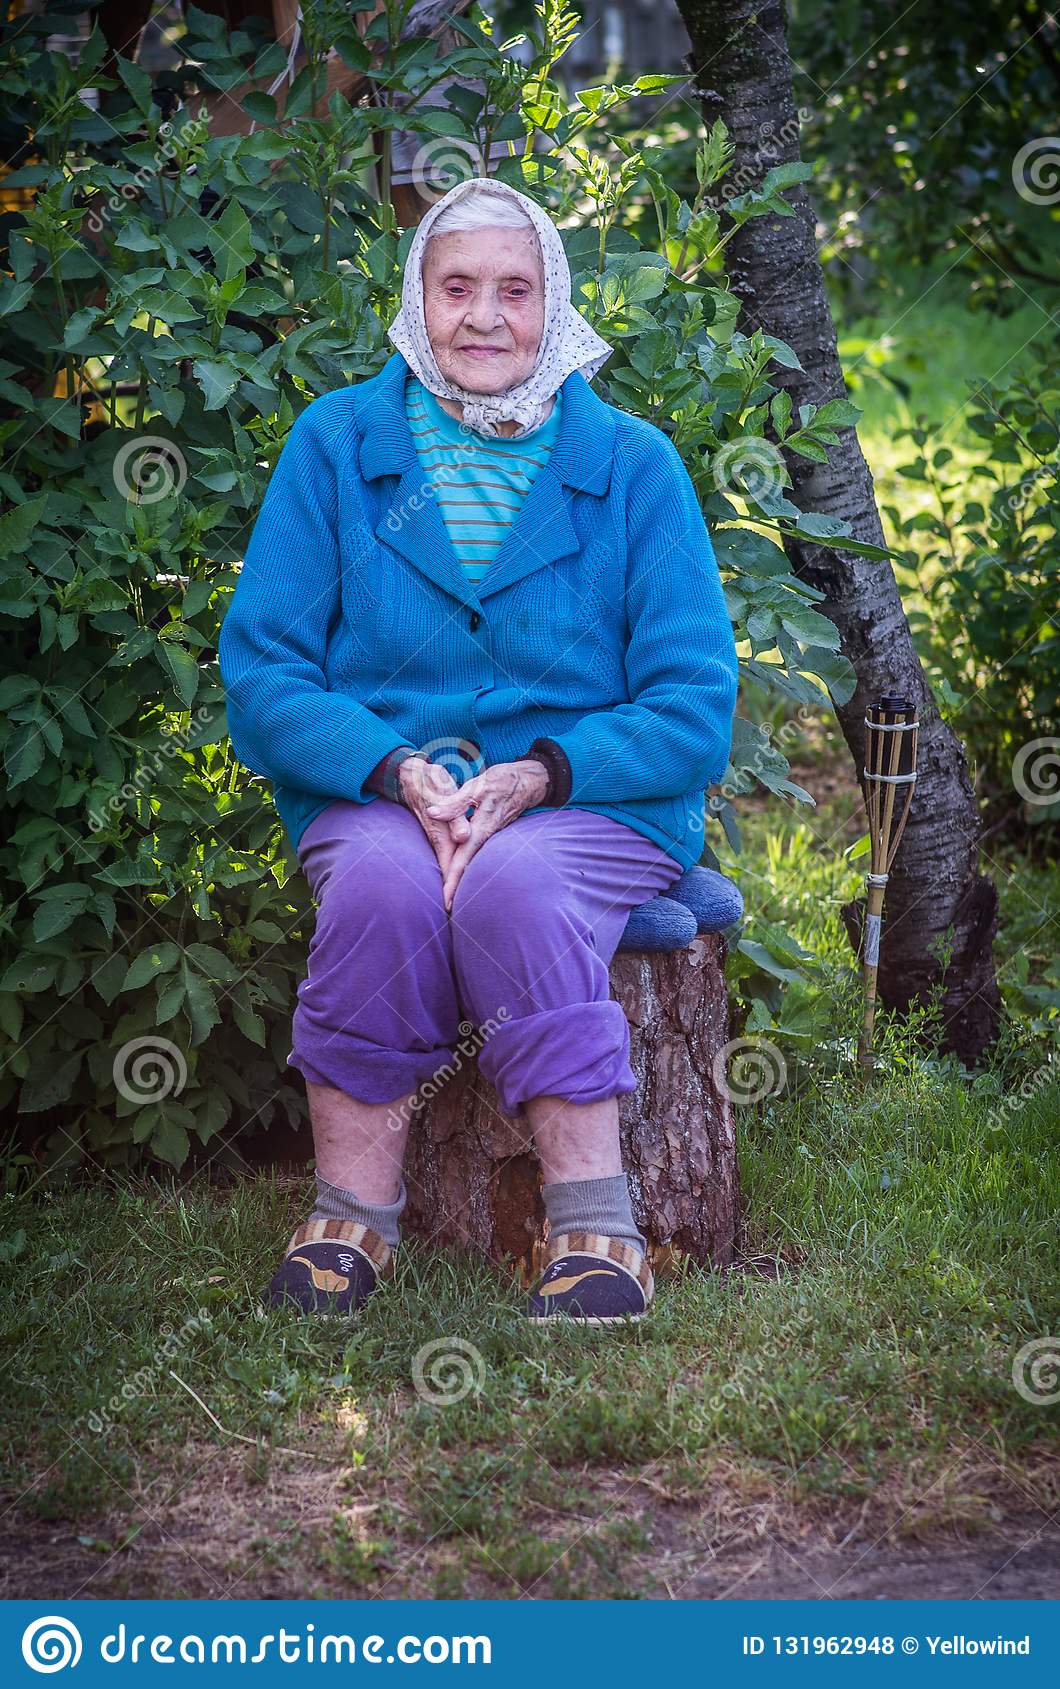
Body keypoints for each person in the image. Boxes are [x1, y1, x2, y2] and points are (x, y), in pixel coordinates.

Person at [218, 176, 738, 1326]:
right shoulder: (338, 446)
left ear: (552, 308)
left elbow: (696, 701)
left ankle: (596, 1229)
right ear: (417, 299)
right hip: (380, 790)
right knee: (382, 896)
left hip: (587, 799)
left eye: (515, 290)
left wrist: (541, 773)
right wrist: (396, 770)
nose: (485, 317)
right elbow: (261, 672)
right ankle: (348, 1222)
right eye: (457, 288)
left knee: (516, 886)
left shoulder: (633, 466)